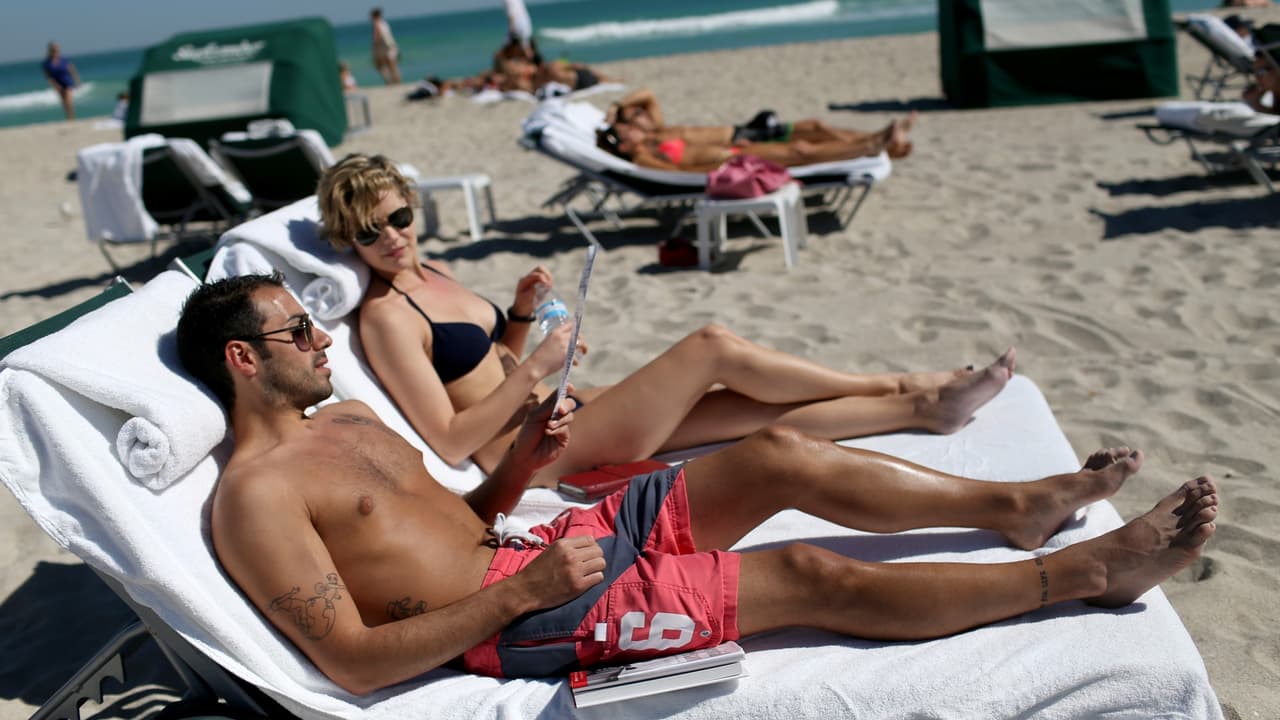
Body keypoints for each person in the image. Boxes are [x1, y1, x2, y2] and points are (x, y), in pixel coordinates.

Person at [175, 272, 1221, 693]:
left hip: (538, 551)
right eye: (298, 331)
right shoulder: (256, 498)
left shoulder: (348, 419)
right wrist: (518, 595)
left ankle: (1016, 507)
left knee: (774, 455)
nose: (322, 339)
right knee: (810, 575)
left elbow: (452, 521)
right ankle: (1083, 576)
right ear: (242, 359)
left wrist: (517, 476)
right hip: (523, 617)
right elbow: (352, 663)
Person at [316, 153, 1016, 489]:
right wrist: (535, 369)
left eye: (398, 217)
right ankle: (899, 382)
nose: (392, 238)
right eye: (370, 233)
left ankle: (926, 408)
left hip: (562, 410)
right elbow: (448, 438)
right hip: (533, 452)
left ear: (412, 206)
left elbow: (485, 361)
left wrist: (521, 314)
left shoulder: (432, 272)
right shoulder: (386, 318)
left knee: (750, 412)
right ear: (350, 240)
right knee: (712, 346)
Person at [597, 89, 915, 171]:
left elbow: (648, 95)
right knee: (802, 149)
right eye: (625, 130)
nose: (633, 125)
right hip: (731, 160)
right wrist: (723, 164)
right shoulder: (643, 158)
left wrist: (617, 107)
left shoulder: (656, 135)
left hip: (736, 148)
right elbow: (680, 174)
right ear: (623, 146)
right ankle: (873, 145)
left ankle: (876, 142)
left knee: (806, 142)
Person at [42, 41, 79, 121]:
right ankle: (69, 116)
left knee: (68, 100)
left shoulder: (63, 60)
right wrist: (54, 85)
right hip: (57, 83)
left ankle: (72, 116)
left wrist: (76, 81)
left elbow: (72, 70)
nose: (56, 51)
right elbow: (48, 76)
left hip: (67, 81)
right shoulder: (47, 63)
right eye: (54, 49)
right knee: (64, 101)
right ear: (50, 50)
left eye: (57, 49)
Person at [370, 8, 401, 85]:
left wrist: (374, 46)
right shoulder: (384, 23)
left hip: (383, 47)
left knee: (380, 65)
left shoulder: (376, 23)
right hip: (391, 45)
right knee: (392, 66)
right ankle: (397, 81)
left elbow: (377, 36)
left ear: (373, 16)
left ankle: (389, 81)